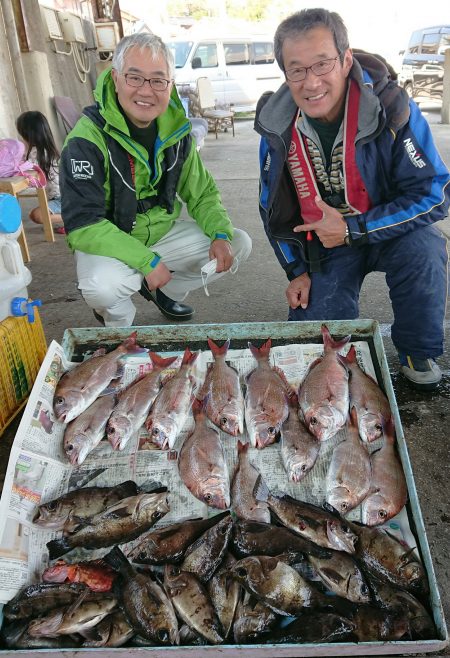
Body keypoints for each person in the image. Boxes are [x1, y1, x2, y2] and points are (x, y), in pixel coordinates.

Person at [254, 8, 449, 391]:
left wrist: (352, 228)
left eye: (322, 64)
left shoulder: (393, 108)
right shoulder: (275, 124)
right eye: (297, 70)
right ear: (285, 74)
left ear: (345, 60)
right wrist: (296, 270)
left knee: (426, 248)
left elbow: (434, 192)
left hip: (388, 230)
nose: (311, 83)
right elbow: (270, 208)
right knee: (315, 348)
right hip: (325, 245)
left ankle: (416, 348)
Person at [59, 33, 252, 326]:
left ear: (170, 84)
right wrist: (145, 261)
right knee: (102, 287)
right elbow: (83, 225)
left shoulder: (177, 131)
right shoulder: (85, 140)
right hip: (112, 242)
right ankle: (117, 323)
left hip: (161, 235)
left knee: (238, 242)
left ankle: (161, 289)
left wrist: (220, 235)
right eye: (134, 78)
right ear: (115, 78)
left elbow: (202, 195)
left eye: (158, 80)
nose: (146, 91)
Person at [16, 111, 65, 234]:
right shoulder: (45, 150)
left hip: (63, 199)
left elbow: (27, 178)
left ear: (28, 134)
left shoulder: (36, 153)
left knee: (37, 216)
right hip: (62, 197)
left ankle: (75, 218)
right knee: (36, 214)